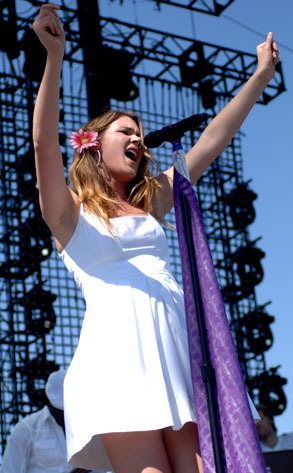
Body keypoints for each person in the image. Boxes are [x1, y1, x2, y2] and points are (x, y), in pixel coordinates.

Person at [32, 4, 279, 473]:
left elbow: (211, 141)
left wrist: (260, 77)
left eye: (140, 136)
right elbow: (44, 144)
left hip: (178, 349)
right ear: (93, 143)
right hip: (119, 359)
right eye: (126, 131)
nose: (137, 141)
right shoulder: (68, 214)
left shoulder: (152, 202)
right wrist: (55, 57)